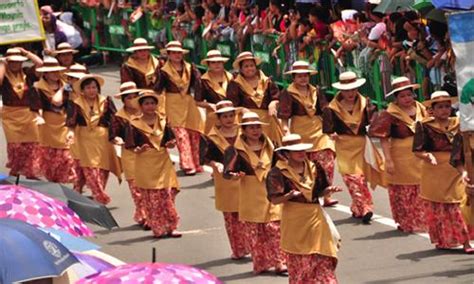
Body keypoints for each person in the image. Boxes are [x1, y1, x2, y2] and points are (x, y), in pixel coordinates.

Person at [267, 133, 341, 283]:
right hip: (295, 221)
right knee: (302, 265)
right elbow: (275, 200)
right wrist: (288, 196)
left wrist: (327, 191)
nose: (301, 153)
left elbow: (319, 191)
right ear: (287, 153)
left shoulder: (315, 167)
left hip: (315, 218)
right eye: (296, 151)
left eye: (302, 150)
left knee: (323, 257)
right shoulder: (277, 172)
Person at [224, 112, 287, 275]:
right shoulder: (235, 150)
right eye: (251, 127)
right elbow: (228, 172)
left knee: (274, 227)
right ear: (243, 130)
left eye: (258, 126)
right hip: (250, 191)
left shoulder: (271, 145)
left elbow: (281, 163)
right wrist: (235, 175)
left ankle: (280, 262)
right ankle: (261, 263)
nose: (255, 130)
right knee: (255, 231)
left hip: (269, 189)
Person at [413, 91, 473, 254]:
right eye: (440, 107)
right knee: (439, 207)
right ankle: (443, 239)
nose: (444, 110)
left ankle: (466, 241)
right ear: (432, 109)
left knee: (459, 205)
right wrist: (427, 156)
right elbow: (417, 150)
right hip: (434, 171)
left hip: (457, 168)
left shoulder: (460, 124)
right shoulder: (424, 126)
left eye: (447, 106)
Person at [323, 71, 385, 224]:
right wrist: (333, 135)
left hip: (362, 144)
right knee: (352, 177)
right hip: (344, 145)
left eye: (353, 89)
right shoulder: (331, 108)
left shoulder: (366, 103)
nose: (350, 93)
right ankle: (364, 207)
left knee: (361, 178)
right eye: (346, 90)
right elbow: (328, 129)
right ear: (341, 90)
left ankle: (359, 206)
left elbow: (373, 121)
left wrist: (372, 126)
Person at [369, 77, 429, 233]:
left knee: (423, 186)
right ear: (396, 98)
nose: (407, 99)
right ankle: (406, 221)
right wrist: (388, 159)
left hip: (421, 152)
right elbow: (383, 138)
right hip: (401, 154)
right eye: (402, 96)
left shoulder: (421, 108)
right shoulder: (389, 114)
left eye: (409, 95)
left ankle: (424, 220)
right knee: (404, 190)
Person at [279, 61, 339, 207]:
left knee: (327, 162)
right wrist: (285, 130)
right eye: (299, 76)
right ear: (293, 78)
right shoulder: (287, 93)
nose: (303, 79)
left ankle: (327, 194)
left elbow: (325, 110)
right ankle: (308, 193)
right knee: (306, 166)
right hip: (300, 132)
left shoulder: (316, 90)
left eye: (305, 76)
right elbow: (285, 116)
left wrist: (331, 130)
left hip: (318, 130)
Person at [124, 90, 181, 238]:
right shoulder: (134, 124)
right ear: (141, 106)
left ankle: (172, 226)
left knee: (167, 196)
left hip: (163, 162)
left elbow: (172, 140)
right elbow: (130, 145)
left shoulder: (163, 120)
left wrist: (170, 144)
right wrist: (139, 149)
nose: (150, 106)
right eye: (146, 103)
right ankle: (157, 227)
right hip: (145, 163)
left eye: (152, 103)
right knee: (152, 199)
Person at [204, 100, 250, 259]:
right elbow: (205, 157)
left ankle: (251, 245)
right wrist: (215, 164)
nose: (229, 119)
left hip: (246, 177)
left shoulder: (245, 133)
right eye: (225, 116)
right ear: (219, 118)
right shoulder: (212, 136)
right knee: (231, 216)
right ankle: (238, 249)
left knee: (249, 213)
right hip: (225, 181)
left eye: (232, 115)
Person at [66, 74, 122, 204]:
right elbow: (71, 122)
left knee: (103, 169)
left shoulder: (106, 101)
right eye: (88, 88)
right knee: (90, 168)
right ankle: (100, 196)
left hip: (103, 139)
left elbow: (114, 119)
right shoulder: (76, 103)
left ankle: (88, 194)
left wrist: (115, 136)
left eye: (94, 87)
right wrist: (70, 133)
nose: (92, 90)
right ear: (82, 90)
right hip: (85, 139)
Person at [154, 41, 204, 175]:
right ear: (168, 54)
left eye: (179, 53)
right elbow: (157, 89)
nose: (177, 55)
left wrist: (199, 99)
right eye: (174, 53)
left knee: (194, 133)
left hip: (188, 102)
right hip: (172, 103)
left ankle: (196, 162)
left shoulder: (190, 67)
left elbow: (198, 83)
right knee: (181, 135)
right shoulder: (163, 70)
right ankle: (187, 164)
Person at [30, 57, 76, 183]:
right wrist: (38, 117)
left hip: (65, 121)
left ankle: (71, 182)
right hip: (49, 124)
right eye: (52, 71)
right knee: (51, 156)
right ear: (45, 73)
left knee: (68, 154)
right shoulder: (38, 87)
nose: (56, 74)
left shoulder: (65, 84)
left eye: (57, 71)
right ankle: (55, 182)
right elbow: (50, 103)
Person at [0, 48, 43, 178]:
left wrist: (26, 52)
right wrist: (2, 65)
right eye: (12, 62)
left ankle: (31, 173)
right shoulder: (4, 74)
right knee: (16, 147)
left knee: (32, 145)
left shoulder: (26, 73)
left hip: (28, 113)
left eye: (18, 62)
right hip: (10, 116)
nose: (15, 64)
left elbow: (40, 65)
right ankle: (14, 173)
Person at [109, 82, 147, 227]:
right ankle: (143, 215)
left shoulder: (148, 112)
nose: (132, 100)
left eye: (134, 96)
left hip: (150, 155)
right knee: (136, 187)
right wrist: (117, 139)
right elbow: (113, 134)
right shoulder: (118, 116)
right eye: (128, 97)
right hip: (130, 154)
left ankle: (148, 214)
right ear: (123, 100)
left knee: (149, 187)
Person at [227, 51, 283, 146]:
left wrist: (273, 103)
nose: (250, 68)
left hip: (267, 121)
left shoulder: (266, 80)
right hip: (247, 122)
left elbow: (276, 97)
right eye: (246, 66)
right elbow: (231, 106)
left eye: (251, 65)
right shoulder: (235, 84)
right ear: (241, 69)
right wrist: (242, 109)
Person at [196, 50, 233, 134]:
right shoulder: (203, 80)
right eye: (213, 62)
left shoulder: (231, 78)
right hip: (214, 116)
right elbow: (197, 101)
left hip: (231, 116)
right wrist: (210, 105)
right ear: (208, 65)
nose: (217, 64)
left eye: (219, 62)